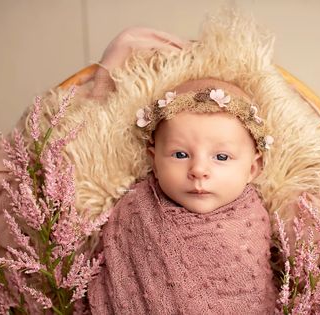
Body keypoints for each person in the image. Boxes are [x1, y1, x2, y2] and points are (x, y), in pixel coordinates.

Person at [87, 78, 277, 314]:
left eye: (221, 157)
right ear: (154, 161)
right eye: (180, 154)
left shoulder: (254, 218)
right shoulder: (136, 208)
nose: (198, 170)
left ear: (252, 169)